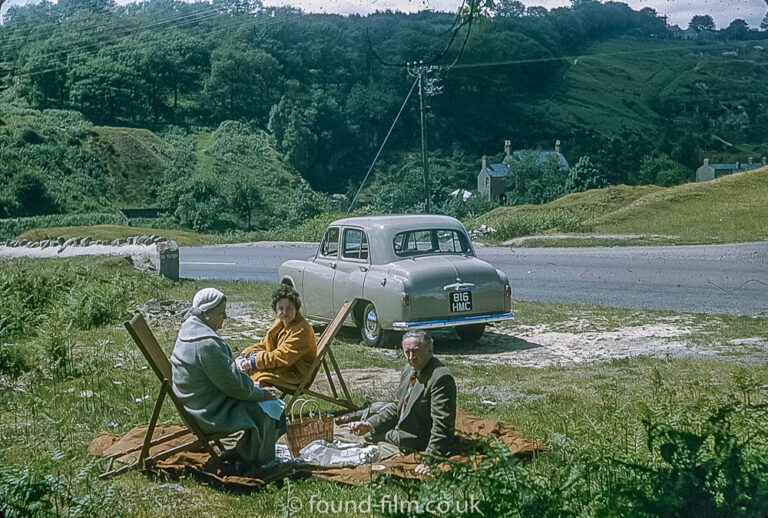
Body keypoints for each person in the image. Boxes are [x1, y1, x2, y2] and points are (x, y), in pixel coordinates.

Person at [170, 287, 280, 467]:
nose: (225, 318)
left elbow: (228, 379)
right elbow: (235, 386)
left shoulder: (189, 330)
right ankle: (254, 460)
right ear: (206, 314)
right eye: (221, 313)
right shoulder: (206, 344)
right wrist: (261, 393)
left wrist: (253, 389)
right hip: (209, 412)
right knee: (265, 411)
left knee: (261, 402)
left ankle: (246, 452)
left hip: (196, 403)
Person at [346, 330, 456, 474]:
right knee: (371, 425)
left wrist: (431, 459)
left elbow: (442, 424)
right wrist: (369, 424)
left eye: (416, 351)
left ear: (430, 350)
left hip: (418, 439)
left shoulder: (440, 378)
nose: (411, 357)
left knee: (372, 434)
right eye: (407, 352)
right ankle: (367, 423)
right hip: (404, 425)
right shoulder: (408, 369)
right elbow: (397, 407)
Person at [235, 285, 317, 387]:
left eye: (289, 308)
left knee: (257, 378)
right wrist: (243, 356)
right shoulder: (281, 323)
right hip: (283, 367)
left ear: (297, 308)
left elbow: (281, 356)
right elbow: (264, 344)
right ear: (275, 310)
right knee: (242, 373)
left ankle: (259, 400)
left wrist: (251, 363)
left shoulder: (301, 331)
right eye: (280, 308)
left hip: (294, 374)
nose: (284, 312)